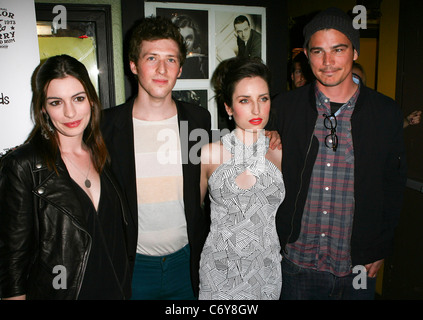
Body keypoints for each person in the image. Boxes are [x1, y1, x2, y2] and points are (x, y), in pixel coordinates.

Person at [272, 7, 407, 300]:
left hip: (358, 265)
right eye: (318, 51)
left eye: (338, 49)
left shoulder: (386, 113)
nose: (328, 62)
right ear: (306, 55)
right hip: (296, 261)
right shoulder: (283, 108)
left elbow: (393, 187)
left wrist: (381, 247)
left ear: (355, 52)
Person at [0, 54, 132, 300]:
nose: (70, 112)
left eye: (78, 99)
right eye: (56, 102)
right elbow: (12, 263)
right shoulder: (23, 166)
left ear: (91, 100)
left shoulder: (104, 154)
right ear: (43, 107)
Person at [101, 16, 212, 300]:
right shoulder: (106, 127)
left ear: (180, 68)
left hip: (187, 263)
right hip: (133, 265)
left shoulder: (197, 119)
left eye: (171, 60)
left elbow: (203, 186)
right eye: (152, 58)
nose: (162, 69)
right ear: (134, 65)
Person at [198, 57, 285, 300]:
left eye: (263, 99)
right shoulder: (209, 153)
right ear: (228, 107)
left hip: (265, 272)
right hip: (220, 273)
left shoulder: (279, 150)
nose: (256, 110)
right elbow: (193, 216)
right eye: (244, 101)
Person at [352, 62, 421, 129]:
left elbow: (387, 127)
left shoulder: (371, 105)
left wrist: (407, 121)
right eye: (352, 79)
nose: (354, 84)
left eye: (358, 80)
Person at [171, 14, 208, 79]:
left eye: (189, 38)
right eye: (180, 39)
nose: (184, 43)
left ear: (195, 41)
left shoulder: (201, 66)